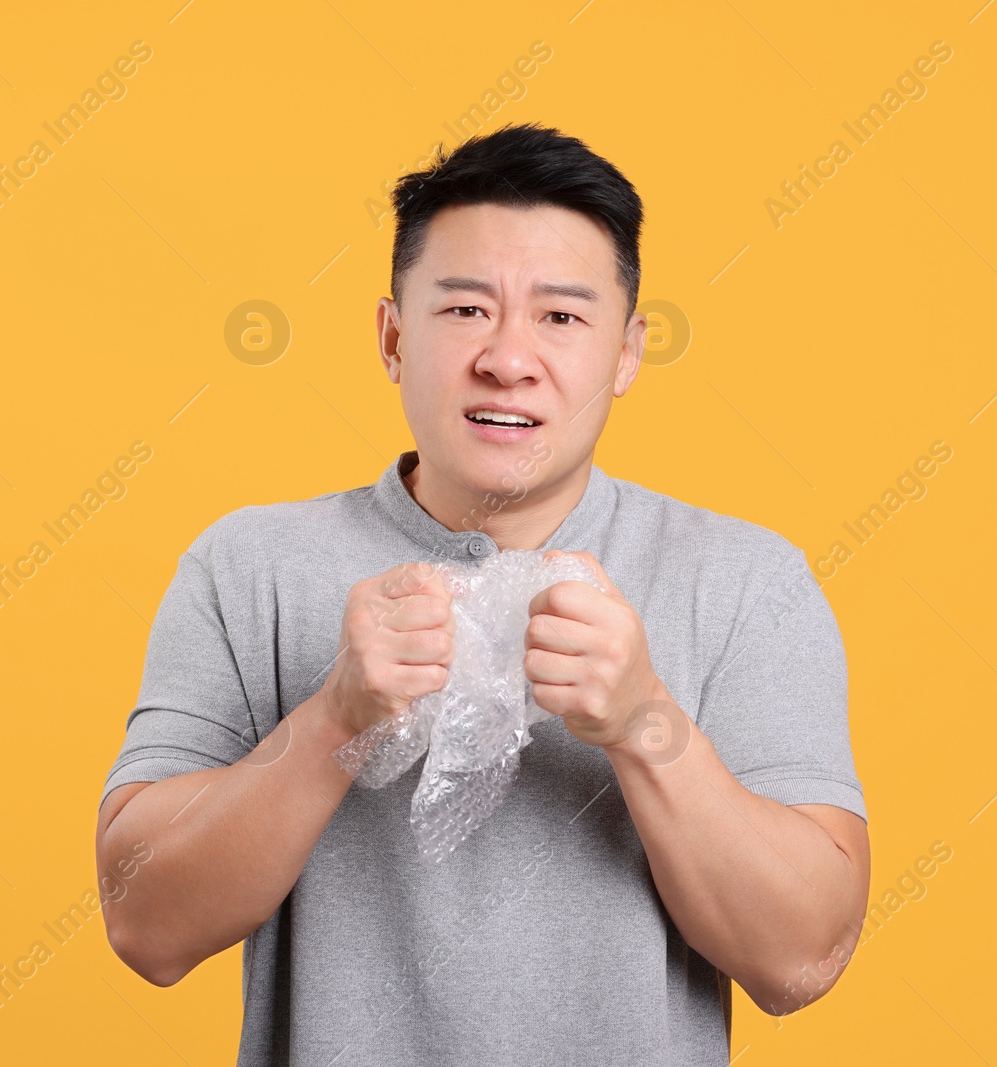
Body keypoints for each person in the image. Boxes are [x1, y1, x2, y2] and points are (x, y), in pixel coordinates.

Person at [95, 122, 869, 1066]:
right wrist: (336, 718)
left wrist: (643, 721)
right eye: (464, 311)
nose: (509, 357)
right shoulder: (246, 566)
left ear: (626, 353)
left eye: (561, 317)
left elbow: (802, 960)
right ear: (390, 336)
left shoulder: (748, 581)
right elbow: (144, 924)